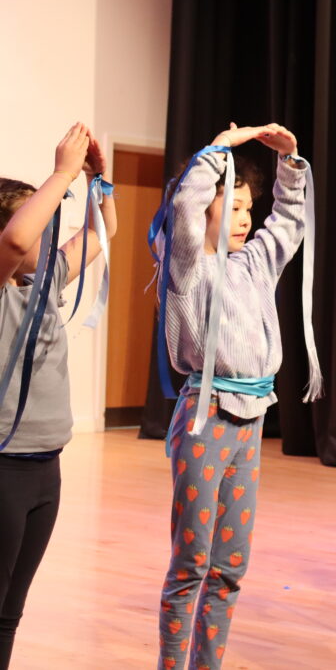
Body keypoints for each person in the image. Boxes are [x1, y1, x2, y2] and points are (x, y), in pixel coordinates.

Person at [155, 123, 314, 669]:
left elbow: (289, 225)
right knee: (191, 562)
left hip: (250, 422)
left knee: (230, 566)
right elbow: (184, 208)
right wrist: (220, 150)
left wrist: (290, 163)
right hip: (206, 418)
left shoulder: (253, 264)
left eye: (250, 208)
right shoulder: (187, 265)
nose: (246, 219)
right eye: (235, 207)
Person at [0, 123, 117, 669]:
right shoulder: (2, 284)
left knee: (10, 610)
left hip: (46, 467)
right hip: (4, 469)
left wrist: (98, 179)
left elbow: (103, 232)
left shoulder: (48, 276)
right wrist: (61, 173)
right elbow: (16, 241)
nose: (50, 240)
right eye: (45, 227)